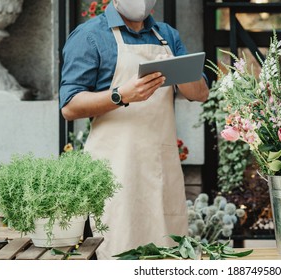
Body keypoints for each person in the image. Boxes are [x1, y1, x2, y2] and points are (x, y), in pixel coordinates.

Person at [59, 0, 209, 259]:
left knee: (167, 256)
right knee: (120, 254)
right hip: (115, 171)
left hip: (161, 169)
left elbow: (201, 93)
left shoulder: (167, 36)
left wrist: (181, 68)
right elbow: (70, 106)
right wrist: (121, 95)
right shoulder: (89, 36)